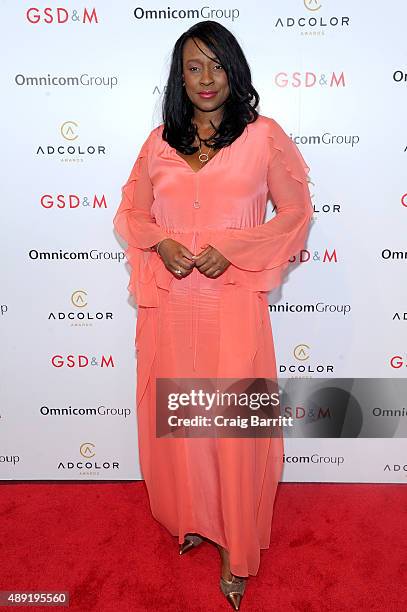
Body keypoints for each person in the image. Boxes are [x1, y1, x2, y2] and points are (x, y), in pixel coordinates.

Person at [113, 20, 313, 611]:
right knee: (182, 426)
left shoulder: (264, 136)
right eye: (194, 67)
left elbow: (296, 215)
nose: (206, 78)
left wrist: (234, 246)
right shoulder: (159, 143)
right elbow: (130, 213)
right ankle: (193, 518)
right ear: (179, 76)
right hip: (171, 311)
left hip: (232, 309)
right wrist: (161, 242)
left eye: (217, 65)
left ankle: (237, 550)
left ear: (235, 71)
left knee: (234, 432)